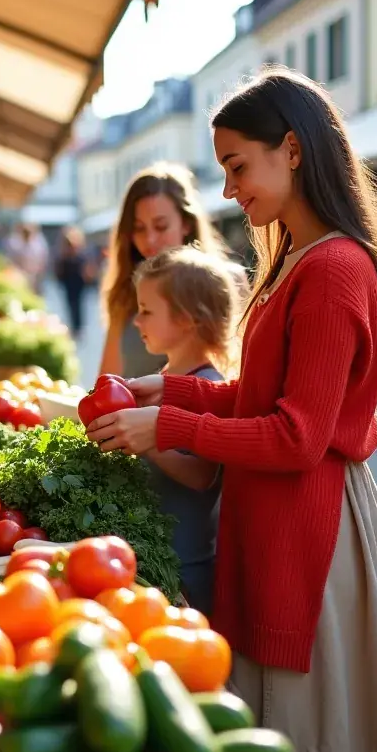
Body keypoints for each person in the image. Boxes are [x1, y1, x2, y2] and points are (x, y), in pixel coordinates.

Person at [86, 70, 377, 752]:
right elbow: (256, 399)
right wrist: (164, 393)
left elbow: (299, 435)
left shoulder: (333, 268)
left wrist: (169, 426)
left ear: (293, 150)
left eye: (238, 165)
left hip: (315, 535)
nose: (229, 188)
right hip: (284, 526)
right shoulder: (295, 260)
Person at [131, 246, 240, 615]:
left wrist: (148, 443)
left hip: (186, 566)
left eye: (147, 311)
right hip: (155, 557)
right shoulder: (161, 380)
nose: (136, 320)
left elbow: (204, 475)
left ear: (186, 319)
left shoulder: (210, 385)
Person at [99, 162, 245, 379]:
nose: (149, 240)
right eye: (139, 228)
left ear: (186, 223)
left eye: (161, 226)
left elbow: (240, 369)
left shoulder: (228, 281)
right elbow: (106, 378)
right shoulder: (125, 290)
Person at [54, 226, 93, 335]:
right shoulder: (64, 254)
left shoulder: (80, 254)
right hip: (69, 281)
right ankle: (75, 325)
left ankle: (78, 326)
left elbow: (86, 267)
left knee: (78, 305)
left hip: (78, 282)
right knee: (71, 304)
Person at [6, 223, 50, 294]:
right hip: (21, 277)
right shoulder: (16, 245)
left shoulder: (38, 246)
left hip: (35, 276)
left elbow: (42, 262)